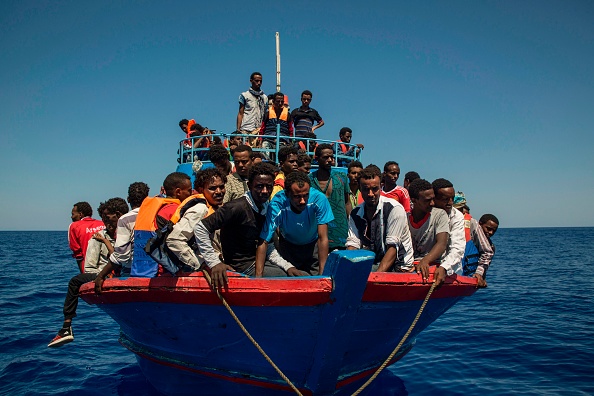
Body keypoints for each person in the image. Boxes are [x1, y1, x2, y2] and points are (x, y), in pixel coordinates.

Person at [49, 197, 129, 347]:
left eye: (109, 219)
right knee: (76, 281)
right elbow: (90, 268)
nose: (106, 223)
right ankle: (66, 327)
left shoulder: (126, 233)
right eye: (104, 219)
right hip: (103, 273)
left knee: (75, 281)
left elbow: (79, 254)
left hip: (122, 273)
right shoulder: (97, 237)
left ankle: (66, 326)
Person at [195, 163, 292, 287]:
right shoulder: (236, 207)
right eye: (259, 186)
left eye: (269, 186)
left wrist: (288, 266)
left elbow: (268, 246)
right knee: (284, 279)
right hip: (242, 268)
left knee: (295, 273)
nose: (265, 191)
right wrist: (214, 262)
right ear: (249, 185)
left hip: (259, 262)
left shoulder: (266, 208)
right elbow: (200, 228)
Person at [256, 171, 333, 276]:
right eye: (297, 196)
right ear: (287, 194)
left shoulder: (319, 199)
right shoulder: (277, 204)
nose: (302, 201)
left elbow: (322, 238)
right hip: (287, 248)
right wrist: (258, 278)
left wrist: (323, 275)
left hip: (313, 248)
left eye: (306, 196)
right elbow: (264, 240)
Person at [346, 167, 413, 272]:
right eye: (366, 189)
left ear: (380, 188)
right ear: (360, 189)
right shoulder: (355, 214)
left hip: (399, 265)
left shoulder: (394, 209)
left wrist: (376, 276)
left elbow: (392, 249)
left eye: (374, 189)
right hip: (375, 263)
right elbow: (353, 244)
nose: (370, 194)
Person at [128, 172, 193, 278]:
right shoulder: (176, 211)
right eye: (189, 190)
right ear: (178, 192)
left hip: (144, 271)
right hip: (166, 271)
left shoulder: (156, 208)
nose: (191, 194)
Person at [166, 168, 226, 271]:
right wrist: (201, 264)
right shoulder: (200, 209)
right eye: (212, 188)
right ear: (201, 190)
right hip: (204, 271)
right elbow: (174, 240)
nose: (219, 192)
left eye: (221, 187)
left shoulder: (217, 208)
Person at [407, 178, 450, 285]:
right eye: (427, 200)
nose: (432, 203)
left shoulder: (440, 215)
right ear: (414, 200)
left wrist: (425, 261)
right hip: (409, 265)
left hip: (432, 264)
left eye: (433, 199)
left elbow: (442, 243)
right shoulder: (405, 218)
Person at [309, 144, 351, 250]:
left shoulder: (341, 177)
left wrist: (351, 226)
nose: (330, 160)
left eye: (331, 157)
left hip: (340, 232)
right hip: (316, 233)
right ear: (317, 159)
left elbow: (347, 203)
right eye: (325, 157)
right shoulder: (309, 180)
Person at [432, 178, 465, 278]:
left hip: (449, 271)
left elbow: (457, 248)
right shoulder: (426, 213)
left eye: (452, 198)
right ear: (434, 198)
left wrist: (444, 267)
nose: (450, 202)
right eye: (445, 199)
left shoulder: (457, 216)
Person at [68, 201, 105, 273]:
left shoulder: (74, 226)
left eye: (73, 214)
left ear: (80, 214)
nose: (71, 217)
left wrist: (83, 273)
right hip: (108, 269)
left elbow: (78, 254)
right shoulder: (103, 223)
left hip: (90, 269)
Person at [465, 214, 499, 288]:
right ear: (480, 224)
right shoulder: (473, 226)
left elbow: (486, 258)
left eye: (494, 231)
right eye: (488, 229)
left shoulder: (491, 247)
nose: (491, 233)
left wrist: (480, 275)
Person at [237, 72, 268, 146]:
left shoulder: (264, 98)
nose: (259, 83)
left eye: (260, 81)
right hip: (246, 128)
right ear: (251, 81)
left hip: (258, 129)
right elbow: (240, 113)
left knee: (256, 152)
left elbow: (265, 115)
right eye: (256, 81)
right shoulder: (245, 95)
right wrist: (238, 129)